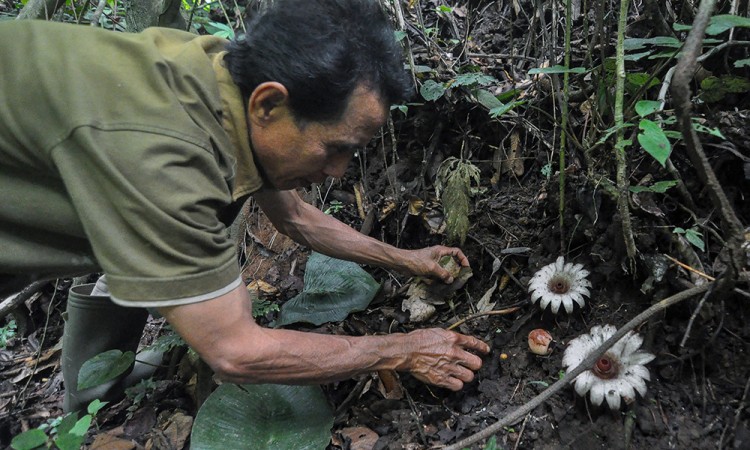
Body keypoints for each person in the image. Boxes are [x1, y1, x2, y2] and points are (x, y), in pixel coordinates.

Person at [0, 0, 489, 413]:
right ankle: (84, 410)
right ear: (268, 104)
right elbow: (236, 352)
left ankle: (93, 401)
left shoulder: (217, 77)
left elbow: (295, 217)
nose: (338, 171)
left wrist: (408, 260)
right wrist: (401, 350)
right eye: (334, 147)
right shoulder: (166, 158)